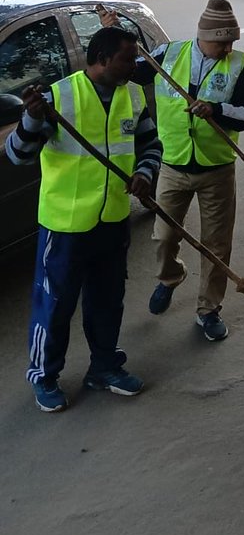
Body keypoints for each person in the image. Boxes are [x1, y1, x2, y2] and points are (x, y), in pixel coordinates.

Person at [5, 26, 162, 412]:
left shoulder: (134, 96)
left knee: (108, 301)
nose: (135, 65)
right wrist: (31, 120)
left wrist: (144, 174)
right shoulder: (58, 97)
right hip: (66, 226)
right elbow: (16, 154)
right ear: (103, 59)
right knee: (55, 305)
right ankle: (44, 376)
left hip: (112, 220)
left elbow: (151, 145)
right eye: (128, 58)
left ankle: (105, 367)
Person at [106, 0, 244, 342]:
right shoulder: (168, 55)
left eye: (231, 41)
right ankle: (170, 277)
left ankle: (208, 310)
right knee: (164, 237)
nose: (227, 47)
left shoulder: (239, 64)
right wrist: (116, 34)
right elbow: (135, 68)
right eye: (222, 41)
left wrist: (216, 109)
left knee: (216, 245)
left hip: (217, 168)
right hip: (172, 165)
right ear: (204, 35)